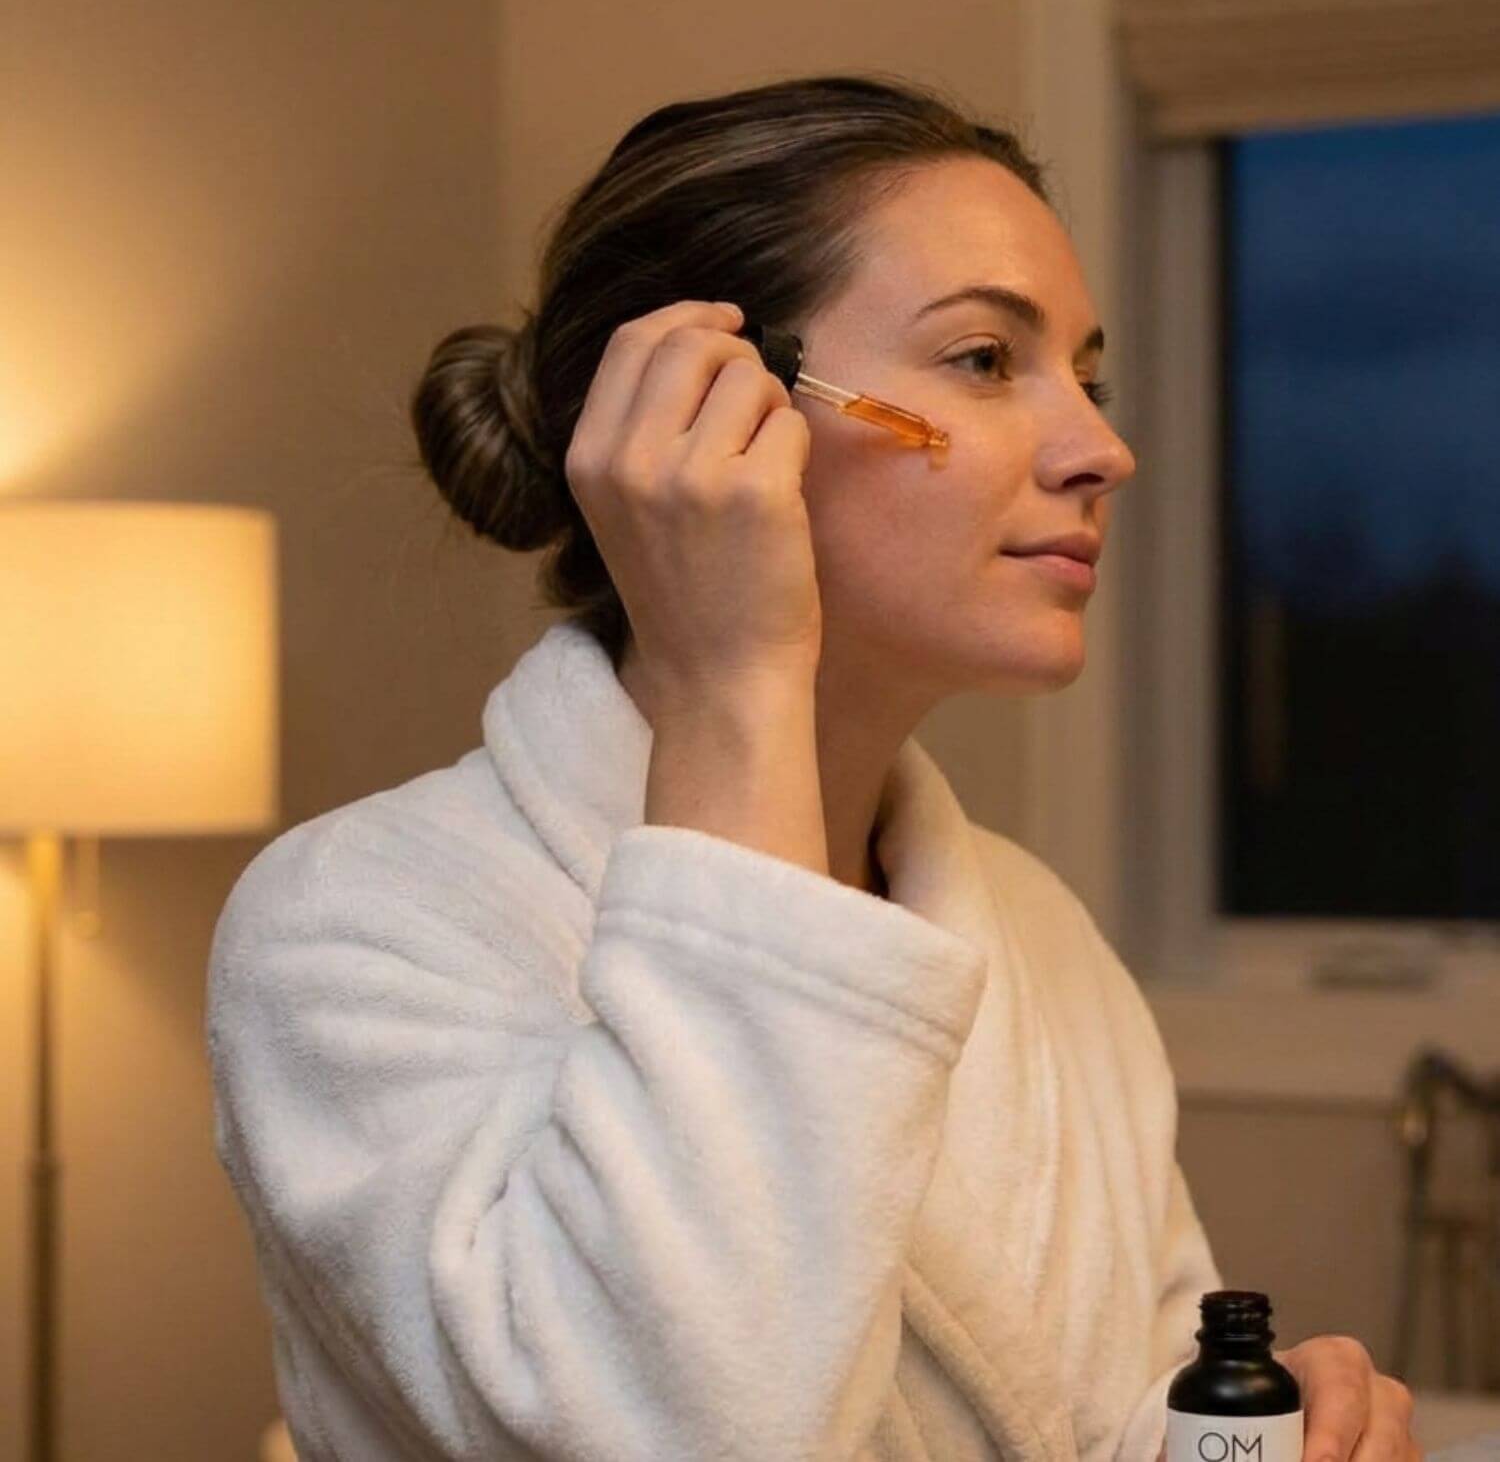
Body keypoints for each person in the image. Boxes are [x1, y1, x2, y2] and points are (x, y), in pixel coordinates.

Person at [204, 72, 1412, 1462]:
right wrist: (735, 682)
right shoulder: (358, 927)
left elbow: (1103, 1402)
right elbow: (683, 1427)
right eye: (984, 360)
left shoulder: (1037, 936)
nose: (1104, 450)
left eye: (1089, 379)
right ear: (709, 410)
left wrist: (1238, 1432)